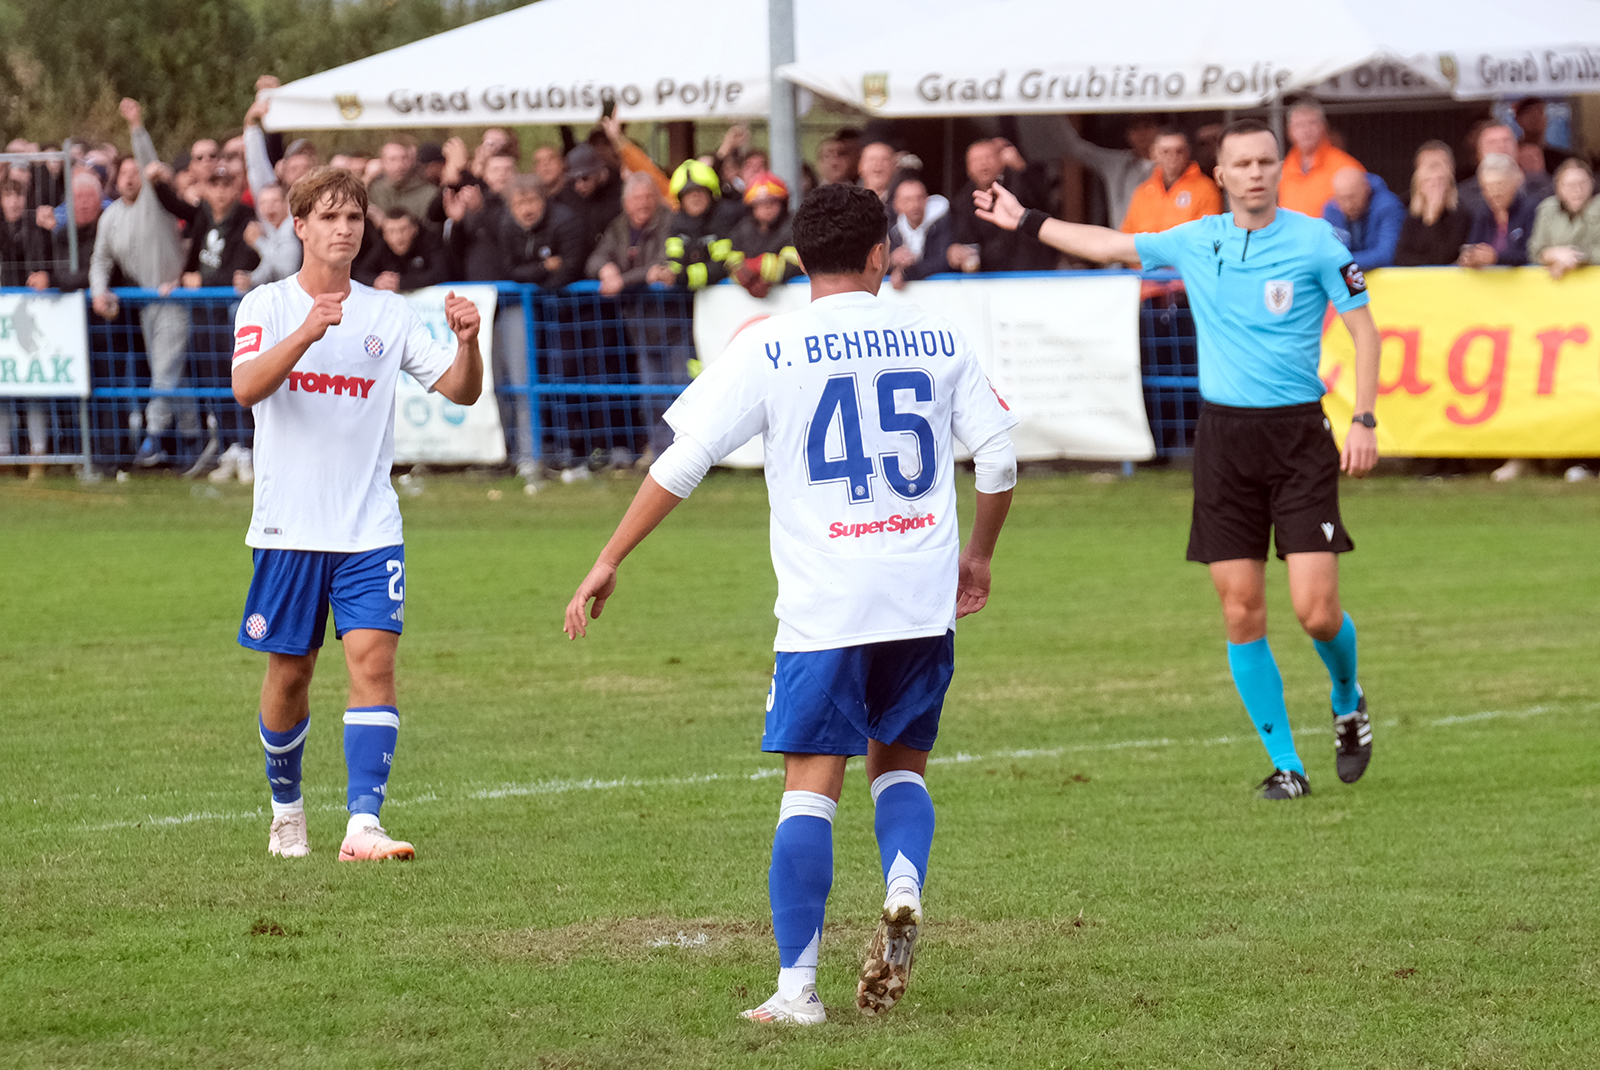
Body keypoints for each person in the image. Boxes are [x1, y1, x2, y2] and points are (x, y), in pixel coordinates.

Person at [563, 182, 1017, 1024]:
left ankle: (796, 990)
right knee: (900, 765)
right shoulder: (939, 336)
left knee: (810, 789)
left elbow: (683, 459)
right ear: (881, 253)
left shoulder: (770, 343)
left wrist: (609, 556)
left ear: (800, 258)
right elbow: (998, 460)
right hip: (921, 594)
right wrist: (978, 556)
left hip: (826, 603)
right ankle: (904, 880)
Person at [976, 117, 1380, 800]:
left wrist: (1364, 418)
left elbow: (1365, 333)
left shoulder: (1316, 241)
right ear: (1219, 176)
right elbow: (1109, 244)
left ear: (1279, 168)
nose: (1255, 172)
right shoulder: (1198, 240)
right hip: (1223, 440)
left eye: (1265, 161)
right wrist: (1028, 220)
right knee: (1241, 609)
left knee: (1315, 610)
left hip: (1298, 439)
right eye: (1242, 164)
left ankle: (1348, 699)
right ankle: (1287, 767)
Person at [229, 166, 483, 862]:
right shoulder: (267, 307)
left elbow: (459, 392)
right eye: (332, 217)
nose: (346, 229)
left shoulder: (388, 313)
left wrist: (468, 343)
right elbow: (246, 388)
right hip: (289, 529)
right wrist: (307, 333)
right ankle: (287, 808)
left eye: (355, 218)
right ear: (301, 225)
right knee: (291, 673)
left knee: (374, 662)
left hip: (370, 526)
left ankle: (363, 825)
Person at [947, 139, 1054, 273]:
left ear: (1002, 161)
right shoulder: (961, 203)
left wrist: (1022, 168)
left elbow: (1042, 200)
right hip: (989, 278)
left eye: (988, 157)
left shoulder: (1020, 184)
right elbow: (966, 242)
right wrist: (958, 253)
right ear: (968, 169)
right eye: (976, 160)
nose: (983, 164)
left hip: (1031, 273)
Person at [1059, 116, 1160, 229]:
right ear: (1128, 134)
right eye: (1135, 128)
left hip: (1159, 240)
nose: (1142, 133)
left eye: (1147, 127)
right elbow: (1076, 149)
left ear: (1159, 130)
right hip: (1124, 240)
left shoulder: (1173, 164)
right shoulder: (1116, 164)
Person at [1119, 127, 1222, 236]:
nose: (1173, 156)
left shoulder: (1206, 188)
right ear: (1154, 155)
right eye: (1165, 152)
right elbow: (1127, 235)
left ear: (1188, 153)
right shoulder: (1142, 192)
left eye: (1179, 151)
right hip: (1145, 253)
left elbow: (1208, 236)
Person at [1277, 101, 1364, 218]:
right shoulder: (1283, 169)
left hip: (1331, 235)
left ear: (1324, 127)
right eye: (1299, 125)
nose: (1306, 130)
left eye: (1312, 123)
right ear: (1289, 131)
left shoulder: (1346, 166)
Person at [662, 160, 735, 292]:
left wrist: (685, 277)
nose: (695, 197)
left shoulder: (725, 218)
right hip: (686, 303)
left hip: (723, 299)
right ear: (681, 200)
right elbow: (674, 259)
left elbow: (722, 266)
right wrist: (667, 272)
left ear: (711, 194)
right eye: (688, 193)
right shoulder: (676, 223)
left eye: (700, 191)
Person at [727, 171, 801, 298]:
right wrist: (741, 276)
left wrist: (757, 268)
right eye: (760, 203)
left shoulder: (795, 226)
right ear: (751, 207)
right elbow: (731, 261)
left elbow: (796, 264)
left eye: (772, 202)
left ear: (783, 203)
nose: (767, 208)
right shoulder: (742, 229)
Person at [1459, 123, 1553, 218]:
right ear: (1478, 152)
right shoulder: (1464, 196)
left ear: (1517, 147)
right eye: (1492, 142)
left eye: (1507, 141)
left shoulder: (1545, 187)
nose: (1501, 146)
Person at [1459, 154, 1535, 269]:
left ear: (1515, 183)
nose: (1495, 193)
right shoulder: (1481, 213)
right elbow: (1472, 245)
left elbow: (1531, 254)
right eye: (1488, 187)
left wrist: (1496, 258)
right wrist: (1470, 257)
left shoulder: (1530, 209)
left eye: (1500, 184)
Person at [1529, 157, 1600, 279]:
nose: (1577, 190)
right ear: (1559, 188)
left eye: (1583, 183)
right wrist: (1550, 255)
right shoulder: (1547, 209)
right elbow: (1534, 251)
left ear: (1592, 183)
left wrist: (1575, 257)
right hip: (1557, 287)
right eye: (1570, 185)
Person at [1322, 167, 1405, 271]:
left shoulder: (1388, 206)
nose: (1348, 205)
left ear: (1366, 189)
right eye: (1341, 199)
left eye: (1352, 197)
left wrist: (1342, 262)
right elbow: (1331, 251)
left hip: (1386, 281)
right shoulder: (1332, 209)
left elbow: (1386, 254)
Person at [1394, 159, 1471, 266]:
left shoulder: (1460, 216)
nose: (1434, 185)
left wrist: (1433, 219)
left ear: (1449, 186)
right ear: (1419, 187)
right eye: (1428, 181)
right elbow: (1401, 258)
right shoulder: (1412, 217)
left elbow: (1443, 258)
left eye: (1441, 180)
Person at [352, 209, 449, 293]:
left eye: (403, 230)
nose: (398, 237)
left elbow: (441, 273)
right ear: (384, 234)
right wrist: (376, 281)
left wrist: (401, 283)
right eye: (391, 231)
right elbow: (360, 273)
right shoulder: (382, 247)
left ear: (414, 229)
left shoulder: (430, 241)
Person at [886, 173, 953, 289]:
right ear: (896, 205)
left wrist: (907, 273)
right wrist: (893, 260)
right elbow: (876, 263)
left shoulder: (944, 222)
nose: (915, 205)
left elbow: (944, 261)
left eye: (919, 198)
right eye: (908, 200)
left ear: (927, 199)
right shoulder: (892, 230)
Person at [365, 139, 438, 230]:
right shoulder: (374, 191)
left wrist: (385, 224)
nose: (400, 165)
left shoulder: (429, 193)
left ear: (412, 161)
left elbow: (433, 232)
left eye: (404, 158)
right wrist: (367, 178)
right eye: (392, 159)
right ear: (383, 163)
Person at [1514, 97, 1568, 175]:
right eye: (1530, 114)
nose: (1536, 119)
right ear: (1518, 119)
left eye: (1540, 113)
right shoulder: (1513, 156)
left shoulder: (1559, 159)